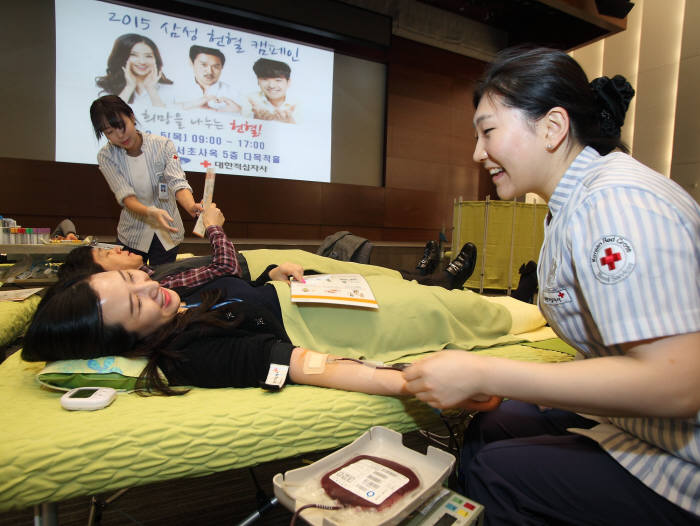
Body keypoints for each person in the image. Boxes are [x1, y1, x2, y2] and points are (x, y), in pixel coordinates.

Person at [402, 47, 700, 525]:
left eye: (488, 131)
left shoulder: (615, 203)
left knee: (500, 472)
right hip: (644, 425)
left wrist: (485, 373)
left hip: (684, 460)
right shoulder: (571, 205)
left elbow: (679, 383)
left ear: (552, 127)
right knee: (495, 425)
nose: (478, 153)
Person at [21, 254, 522, 399]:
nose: (150, 288)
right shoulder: (188, 350)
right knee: (463, 315)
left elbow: (235, 301)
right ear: (130, 339)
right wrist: (404, 384)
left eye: (133, 277)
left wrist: (269, 277)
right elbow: (299, 365)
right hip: (339, 327)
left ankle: (524, 303)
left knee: (431, 293)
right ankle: (537, 311)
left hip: (314, 292)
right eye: (135, 305)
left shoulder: (174, 302)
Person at [90, 95, 203, 266]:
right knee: (131, 282)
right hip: (132, 235)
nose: (120, 136)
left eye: (121, 126)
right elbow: (126, 197)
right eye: (110, 132)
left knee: (163, 282)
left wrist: (190, 206)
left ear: (132, 117)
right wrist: (150, 212)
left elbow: (177, 182)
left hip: (167, 232)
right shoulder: (106, 156)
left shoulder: (162, 145)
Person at [95, 34, 173, 108]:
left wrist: (151, 89)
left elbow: (166, 119)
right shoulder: (106, 89)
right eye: (133, 55)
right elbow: (110, 117)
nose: (142, 61)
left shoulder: (170, 90)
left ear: (155, 59)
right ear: (122, 57)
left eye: (148, 56)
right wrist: (129, 87)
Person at [172, 45, 242, 113]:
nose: (209, 71)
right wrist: (186, 106)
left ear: (222, 68)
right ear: (191, 63)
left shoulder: (234, 93)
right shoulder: (176, 89)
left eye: (215, 66)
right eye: (204, 65)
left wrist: (238, 112)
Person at [245, 58, 298, 123]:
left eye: (278, 80)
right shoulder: (248, 99)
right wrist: (255, 120)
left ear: (288, 82)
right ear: (258, 81)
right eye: (265, 79)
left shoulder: (299, 104)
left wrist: (290, 124)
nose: (271, 86)